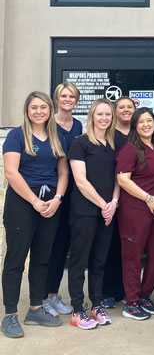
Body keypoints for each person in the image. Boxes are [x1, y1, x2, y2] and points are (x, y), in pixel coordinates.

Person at [1, 92, 68, 339]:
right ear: (27, 110)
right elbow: (11, 172)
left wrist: (57, 199)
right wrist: (34, 201)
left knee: (42, 258)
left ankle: (36, 309)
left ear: (50, 109)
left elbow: (63, 172)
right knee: (16, 260)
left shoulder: (57, 137)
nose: (38, 111)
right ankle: (9, 315)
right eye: (34, 107)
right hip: (23, 202)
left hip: (50, 202)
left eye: (43, 107)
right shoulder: (17, 136)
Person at [67, 98, 119, 329]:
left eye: (108, 114)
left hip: (107, 212)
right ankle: (78, 310)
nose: (104, 118)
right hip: (85, 211)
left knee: (99, 260)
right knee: (80, 261)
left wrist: (114, 203)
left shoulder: (113, 144)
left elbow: (119, 177)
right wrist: (103, 204)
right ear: (92, 116)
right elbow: (80, 181)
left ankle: (96, 304)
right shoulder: (80, 143)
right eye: (100, 114)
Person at [116, 108, 154, 321]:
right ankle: (131, 302)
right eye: (141, 122)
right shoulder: (130, 149)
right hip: (136, 209)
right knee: (133, 255)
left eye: (149, 121)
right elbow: (123, 179)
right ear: (135, 126)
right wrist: (147, 198)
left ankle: (144, 295)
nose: (146, 125)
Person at [43, 82, 83, 317]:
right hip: (52, 190)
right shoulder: (48, 124)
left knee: (62, 246)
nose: (67, 99)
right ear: (56, 99)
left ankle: (52, 295)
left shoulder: (78, 125)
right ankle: (42, 297)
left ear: (76, 100)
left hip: (72, 193)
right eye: (63, 96)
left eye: (71, 96)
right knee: (48, 245)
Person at [101, 96, 136, 309]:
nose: (125, 110)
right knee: (109, 245)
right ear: (115, 111)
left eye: (129, 107)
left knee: (127, 246)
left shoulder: (138, 133)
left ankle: (124, 289)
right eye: (121, 107)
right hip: (110, 197)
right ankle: (107, 291)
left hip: (132, 198)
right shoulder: (108, 134)